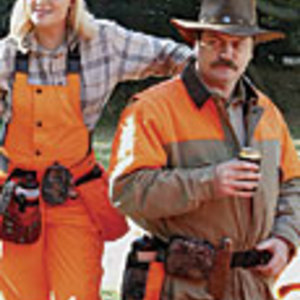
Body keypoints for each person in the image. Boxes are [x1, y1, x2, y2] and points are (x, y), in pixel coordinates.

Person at [0, 0, 192, 299]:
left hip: (74, 195)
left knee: (79, 291)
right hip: (19, 204)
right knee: (21, 293)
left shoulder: (103, 43)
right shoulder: (7, 55)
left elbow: (178, 58)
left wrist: (195, 92)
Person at [109, 0, 300, 299]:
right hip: (181, 285)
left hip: (252, 285)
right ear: (195, 44)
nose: (227, 53)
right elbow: (126, 192)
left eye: (238, 44)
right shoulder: (151, 109)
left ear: (251, 50)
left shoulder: (267, 111)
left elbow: (292, 184)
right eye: (214, 42)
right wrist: (208, 183)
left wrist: (284, 238)